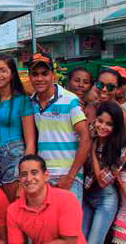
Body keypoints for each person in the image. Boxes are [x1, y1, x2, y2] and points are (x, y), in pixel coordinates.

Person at [80, 101, 126, 244]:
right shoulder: (90, 133)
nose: (103, 126)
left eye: (109, 124)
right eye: (100, 121)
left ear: (115, 127)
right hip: (86, 196)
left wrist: (89, 151)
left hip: (106, 198)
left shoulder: (120, 149)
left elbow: (101, 179)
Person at [29, 53, 90, 202]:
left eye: (45, 74)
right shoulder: (31, 102)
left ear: (53, 75)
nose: (40, 78)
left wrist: (70, 176)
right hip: (43, 176)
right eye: (35, 74)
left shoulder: (70, 100)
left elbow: (86, 138)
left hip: (68, 176)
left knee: (70, 224)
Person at [0, 54, 36, 202]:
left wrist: (25, 173)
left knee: (14, 206)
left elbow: (30, 141)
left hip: (14, 157)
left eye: (3, 70)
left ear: (12, 74)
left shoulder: (22, 100)